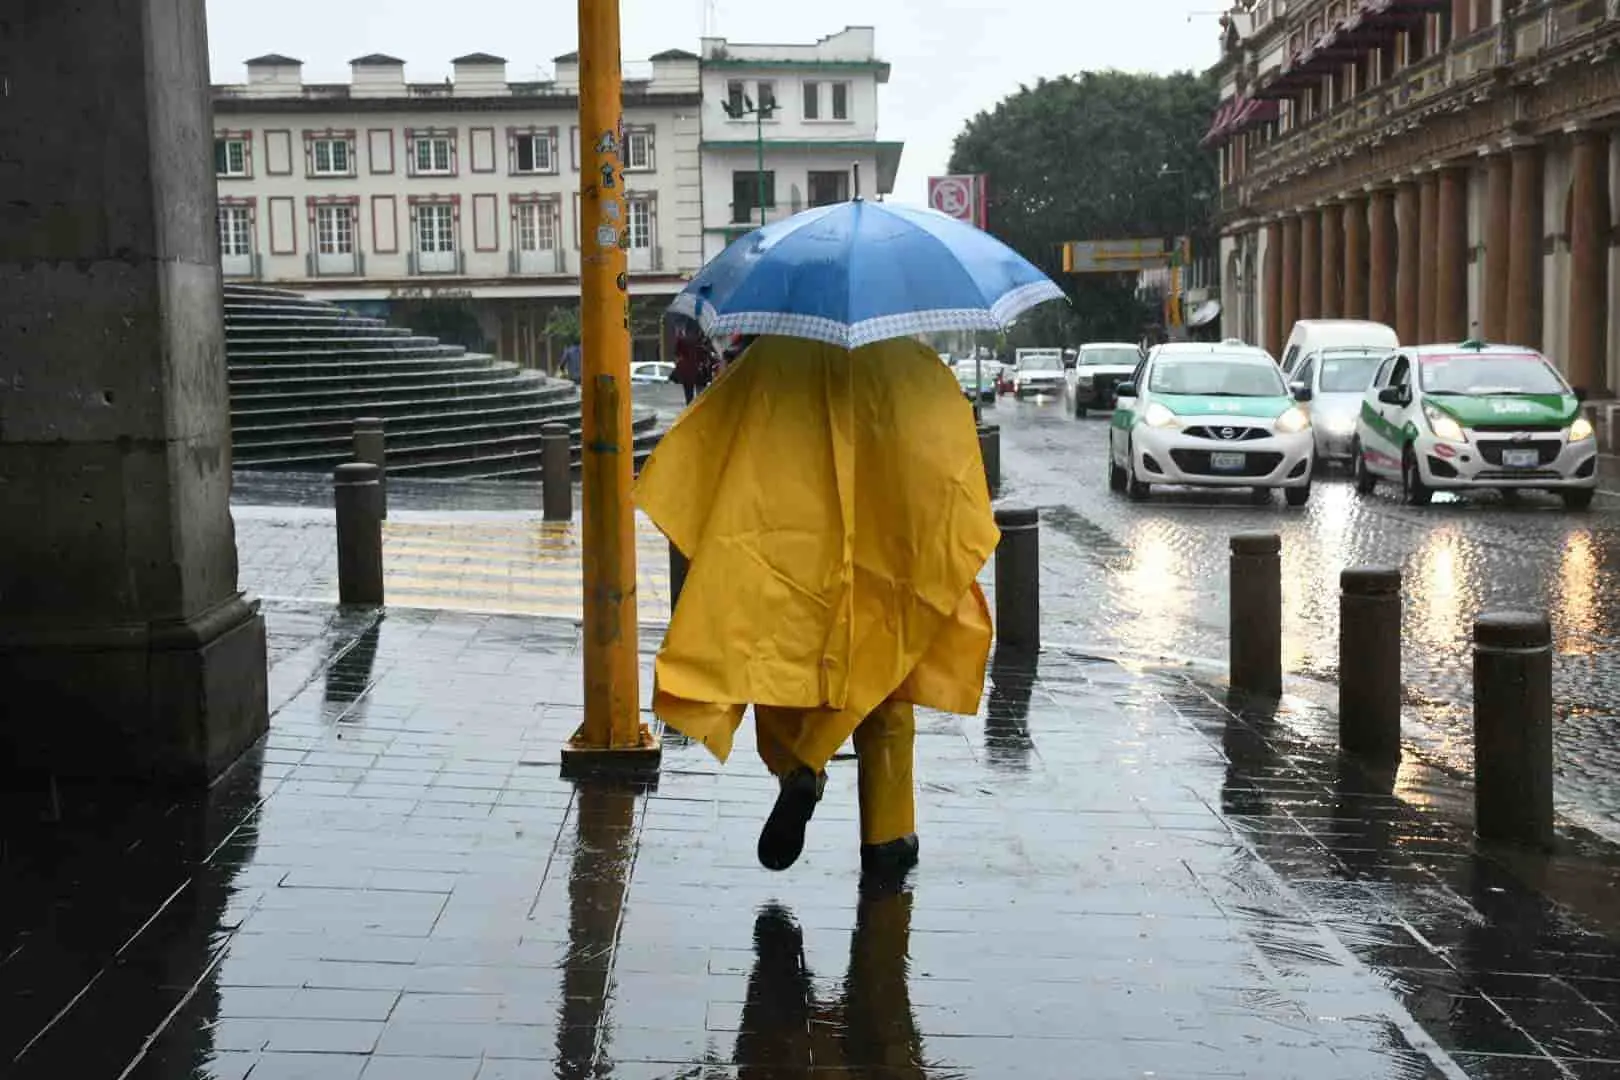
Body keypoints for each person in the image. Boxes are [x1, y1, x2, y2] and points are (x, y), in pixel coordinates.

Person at [634, 335, 997, 881]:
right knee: (886, 691)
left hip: (793, 559)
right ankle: (887, 836)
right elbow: (950, 466)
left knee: (783, 676)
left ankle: (798, 766)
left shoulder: (771, 360)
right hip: (888, 563)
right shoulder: (912, 364)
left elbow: (706, 442)